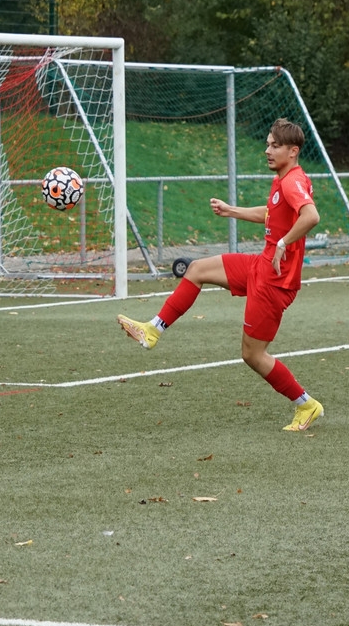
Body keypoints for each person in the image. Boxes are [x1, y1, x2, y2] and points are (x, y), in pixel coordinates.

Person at [115, 118, 323, 431]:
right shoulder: (284, 179)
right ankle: (153, 330)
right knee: (197, 269)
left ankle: (306, 404)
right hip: (261, 266)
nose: (267, 150)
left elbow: (311, 216)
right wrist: (231, 210)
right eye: (267, 144)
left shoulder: (292, 181)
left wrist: (282, 243)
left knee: (253, 355)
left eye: (275, 146)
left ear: (293, 151)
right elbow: (272, 213)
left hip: (275, 281)